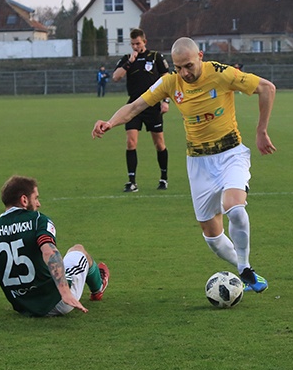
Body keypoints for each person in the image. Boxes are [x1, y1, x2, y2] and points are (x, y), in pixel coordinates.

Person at [93, 37, 276, 292]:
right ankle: (242, 268)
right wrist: (110, 123)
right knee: (212, 237)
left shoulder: (222, 73)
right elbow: (136, 106)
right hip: (198, 162)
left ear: (200, 56)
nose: (184, 73)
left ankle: (245, 268)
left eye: (188, 66)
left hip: (230, 154)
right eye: (178, 67)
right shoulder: (170, 81)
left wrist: (261, 130)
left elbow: (267, 88)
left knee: (235, 208)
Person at [0, 175, 110, 323]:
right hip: (58, 302)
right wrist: (65, 293)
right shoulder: (38, 220)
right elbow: (49, 252)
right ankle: (98, 289)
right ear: (24, 200)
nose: (39, 203)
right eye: (36, 198)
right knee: (78, 250)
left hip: (23, 307)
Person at [111, 28, 171, 192]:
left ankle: (163, 178)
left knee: (159, 144)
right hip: (133, 106)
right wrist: (129, 62)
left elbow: (167, 78)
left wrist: (166, 101)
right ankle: (132, 182)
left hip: (153, 106)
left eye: (138, 43)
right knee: (131, 142)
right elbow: (116, 77)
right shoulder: (127, 59)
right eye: (132, 44)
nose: (135, 47)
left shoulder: (156, 57)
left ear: (144, 42)